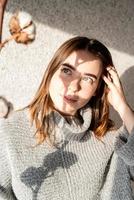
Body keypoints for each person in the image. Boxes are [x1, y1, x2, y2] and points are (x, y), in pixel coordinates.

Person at [0, 36, 134, 200]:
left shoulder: (110, 140)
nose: (73, 86)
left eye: (88, 79)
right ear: (51, 72)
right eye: (67, 71)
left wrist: (122, 107)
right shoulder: (11, 130)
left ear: (98, 90)